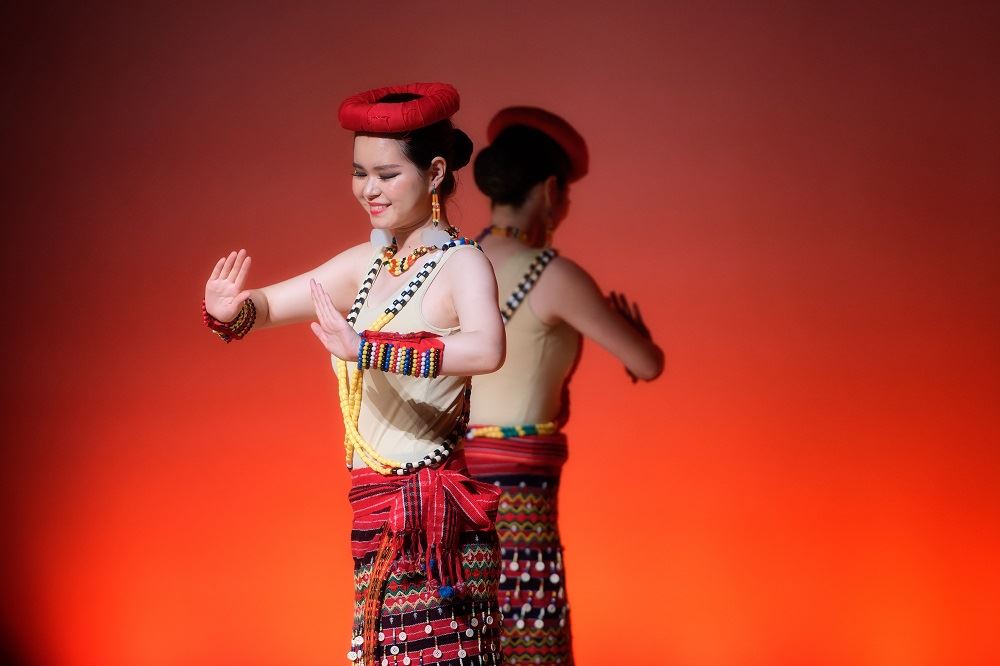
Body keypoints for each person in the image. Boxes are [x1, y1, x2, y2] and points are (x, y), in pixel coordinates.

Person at [201, 83, 507, 666]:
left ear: (434, 173)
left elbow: (487, 348)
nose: (369, 189)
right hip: (372, 514)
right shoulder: (365, 265)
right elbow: (268, 305)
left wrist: (368, 348)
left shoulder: (461, 263)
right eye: (359, 173)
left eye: (387, 175)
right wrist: (232, 309)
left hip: (436, 525)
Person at [464, 107, 664, 665]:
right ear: (551, 191)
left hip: (454, 490)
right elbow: (647, 364)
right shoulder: (553, 274)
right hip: (519, 501)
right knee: (528, 636)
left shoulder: (451, 265)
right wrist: (638, 339)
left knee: (465, 634)